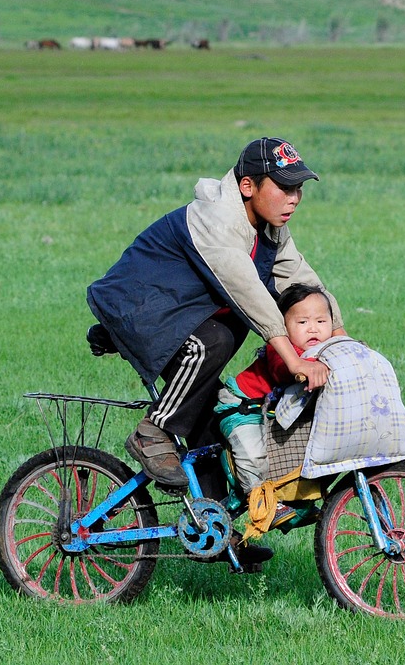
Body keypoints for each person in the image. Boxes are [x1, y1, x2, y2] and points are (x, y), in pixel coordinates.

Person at [85, 137, 346, 495]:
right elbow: (249, 295)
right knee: (213, 341)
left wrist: (341, 340)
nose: (294, 198)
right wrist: (295, 362)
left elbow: (302, 282)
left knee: (211, 420)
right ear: (247, 186)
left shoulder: (271, 229)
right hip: (137, 308)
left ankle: (213, 530)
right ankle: (153, 431)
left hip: (180, 314)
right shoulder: (218, 219)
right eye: (285, 187)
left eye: (298, 188)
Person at [216, 282, 335, 527]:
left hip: (271, 412)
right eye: (302, 323)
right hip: (242, 407)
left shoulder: (328, 350)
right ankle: (260, 502)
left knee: (299, 455)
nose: (312, 329)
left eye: (321, 322)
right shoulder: (280, 348)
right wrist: (303, 367)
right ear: (283, 326)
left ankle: (298, 503)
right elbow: (282, 370)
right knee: (254, 457)